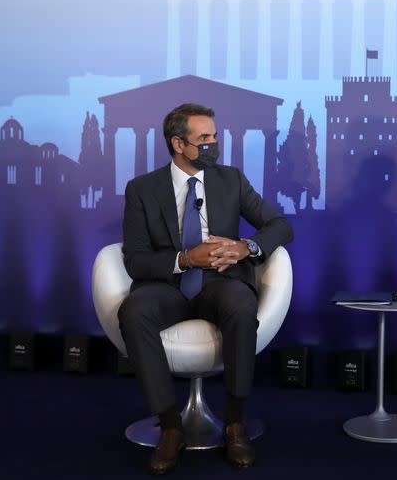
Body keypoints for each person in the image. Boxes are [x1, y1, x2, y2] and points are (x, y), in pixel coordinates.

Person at [118, 103, 293, 474]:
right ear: (178, 144)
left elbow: (280, 225)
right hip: (169, 285)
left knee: (242, 305)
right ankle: (169, 426)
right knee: (133, 311)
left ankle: (234, 421)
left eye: (215, 136)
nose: (214, 143)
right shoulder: (142, 190)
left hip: (220, 282)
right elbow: (134, 259)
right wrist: (185, 259)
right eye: (205, 139)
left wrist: (246, 247)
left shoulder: (230, 180)